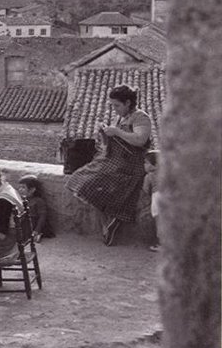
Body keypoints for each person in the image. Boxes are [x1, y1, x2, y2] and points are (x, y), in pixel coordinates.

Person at [66, 84, 152, 246]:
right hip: (115, 159)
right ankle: (111, 219)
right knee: (80, 179)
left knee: (101, 180)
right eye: (112, 105)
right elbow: (109, 144)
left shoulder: (141, 117)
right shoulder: (120, 117)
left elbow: (140, 140)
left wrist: (117, 132)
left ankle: (113, 220)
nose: (114, 109)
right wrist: (104, 133)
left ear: (128, 103)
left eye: (117, 105)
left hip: (133, 163)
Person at [17, 175, 54, 242]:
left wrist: (37, 230)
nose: (20, 189)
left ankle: (37, 235)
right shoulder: (20, 199)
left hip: (32, 224)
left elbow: (42, 217)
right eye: (19, 187)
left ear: (32, 190)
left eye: (23, 187)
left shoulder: (38, 201)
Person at [142, 150, 160, 252]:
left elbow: (145, 190)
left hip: (157, 198)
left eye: (146, 162)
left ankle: (160, 244)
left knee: (158, 222)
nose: (144, 165)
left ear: (155, 165)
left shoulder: (149, 176)